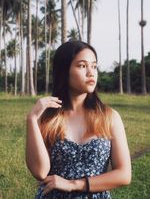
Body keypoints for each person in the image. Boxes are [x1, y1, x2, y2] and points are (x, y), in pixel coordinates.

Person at [26, 40, 131, 199]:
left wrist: (74, 184)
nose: (91, 72)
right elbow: (40, 172)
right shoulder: (48, 118)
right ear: (64, 70)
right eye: (82, 66)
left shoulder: (109, 117)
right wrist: (32, 119)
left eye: (94, 66)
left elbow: (124, 175)